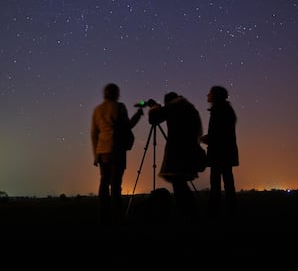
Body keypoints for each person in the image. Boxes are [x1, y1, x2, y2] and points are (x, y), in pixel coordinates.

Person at [91, 83, 143, 224]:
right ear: (116, 93)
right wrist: (139, 114)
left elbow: (94, 133)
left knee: (103, 183)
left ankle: (103, 217)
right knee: (115, 185)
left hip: (102, 152)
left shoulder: (97, 110)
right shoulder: (119, 107)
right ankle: (117, 218)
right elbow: (128, 126)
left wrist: (95, 155)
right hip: (116, 151)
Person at [148, 92, 203, 222]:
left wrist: (154, 107)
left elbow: (154, 119)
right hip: (190, 152)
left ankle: (186, 213)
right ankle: (189, 212)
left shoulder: (174, 107)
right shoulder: (189, 107)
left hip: (178, 153)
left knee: (178, 183)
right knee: (180, 182)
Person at [201, 85, 239, 218]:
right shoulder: (225, 109)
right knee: (228, 182)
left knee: (216, 184)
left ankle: (215, 213)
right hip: (225, 153)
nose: (207, 95)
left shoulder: (219, 110)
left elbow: (218, 134)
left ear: (216, 96)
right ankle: (230, 210)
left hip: (219, 153)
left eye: (210, 93)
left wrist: (206, 139)